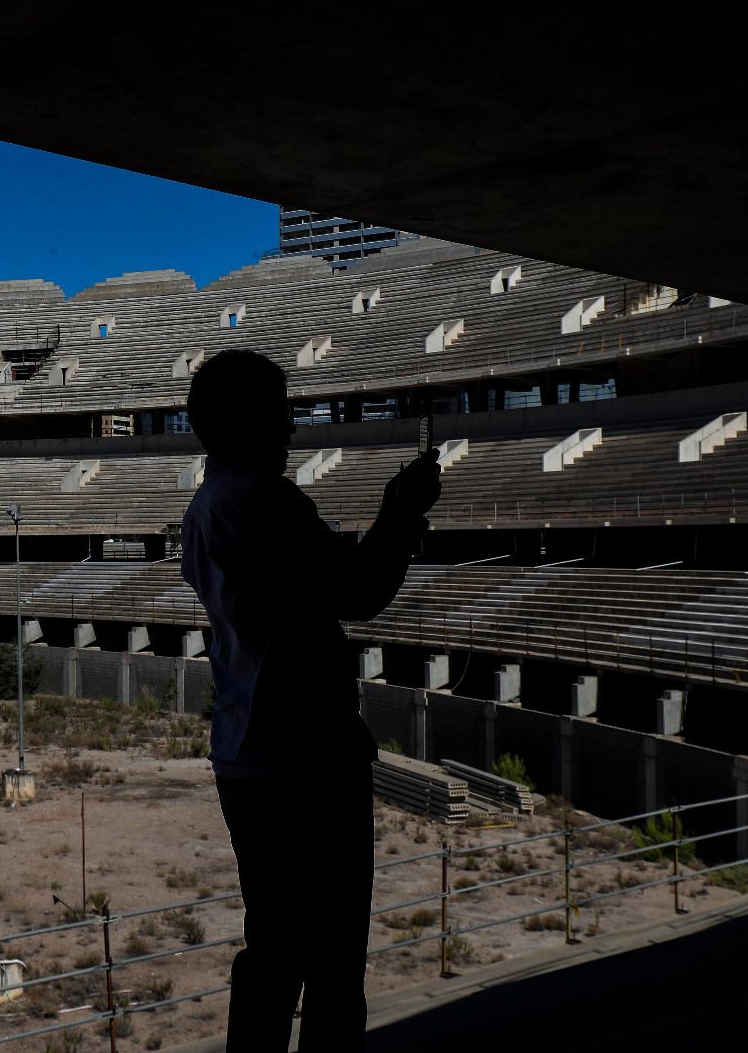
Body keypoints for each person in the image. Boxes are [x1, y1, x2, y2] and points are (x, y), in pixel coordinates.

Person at [180, 349, 441, 1051]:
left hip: (247, 757)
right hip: (307, 760)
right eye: (280, 408)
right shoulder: (262, 500)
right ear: (251, 418)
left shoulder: (206, 505)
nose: (291, 425)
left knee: (273, 952)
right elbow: (357, 593)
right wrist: (400, 514)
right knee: (331, 968)